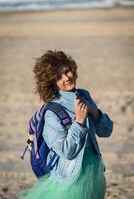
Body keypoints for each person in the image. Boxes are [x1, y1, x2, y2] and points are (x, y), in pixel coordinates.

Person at [18, 50, 113, 199]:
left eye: (67, 71)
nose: (67, 77)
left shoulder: (84, 95)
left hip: (94, 171)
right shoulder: (52, 112)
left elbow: (106, 131)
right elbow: (66, 152)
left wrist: (96, 114)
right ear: (51, 83)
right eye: (59, 76)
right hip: (71, 179)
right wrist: (79, 123)